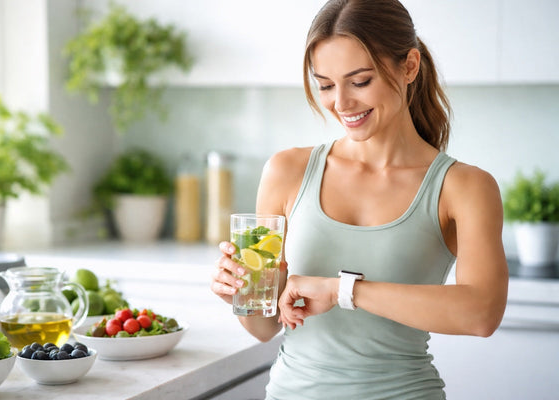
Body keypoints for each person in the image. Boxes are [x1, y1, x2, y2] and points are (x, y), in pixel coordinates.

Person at [210, 0, 508, 398]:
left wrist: (342, 291)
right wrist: (242, 294)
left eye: (360, 81)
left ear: (410, 66)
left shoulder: (464, 187)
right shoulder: (286, 172)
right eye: (326, 85)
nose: (341, 103)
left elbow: (481, 314)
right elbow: (265, 328)